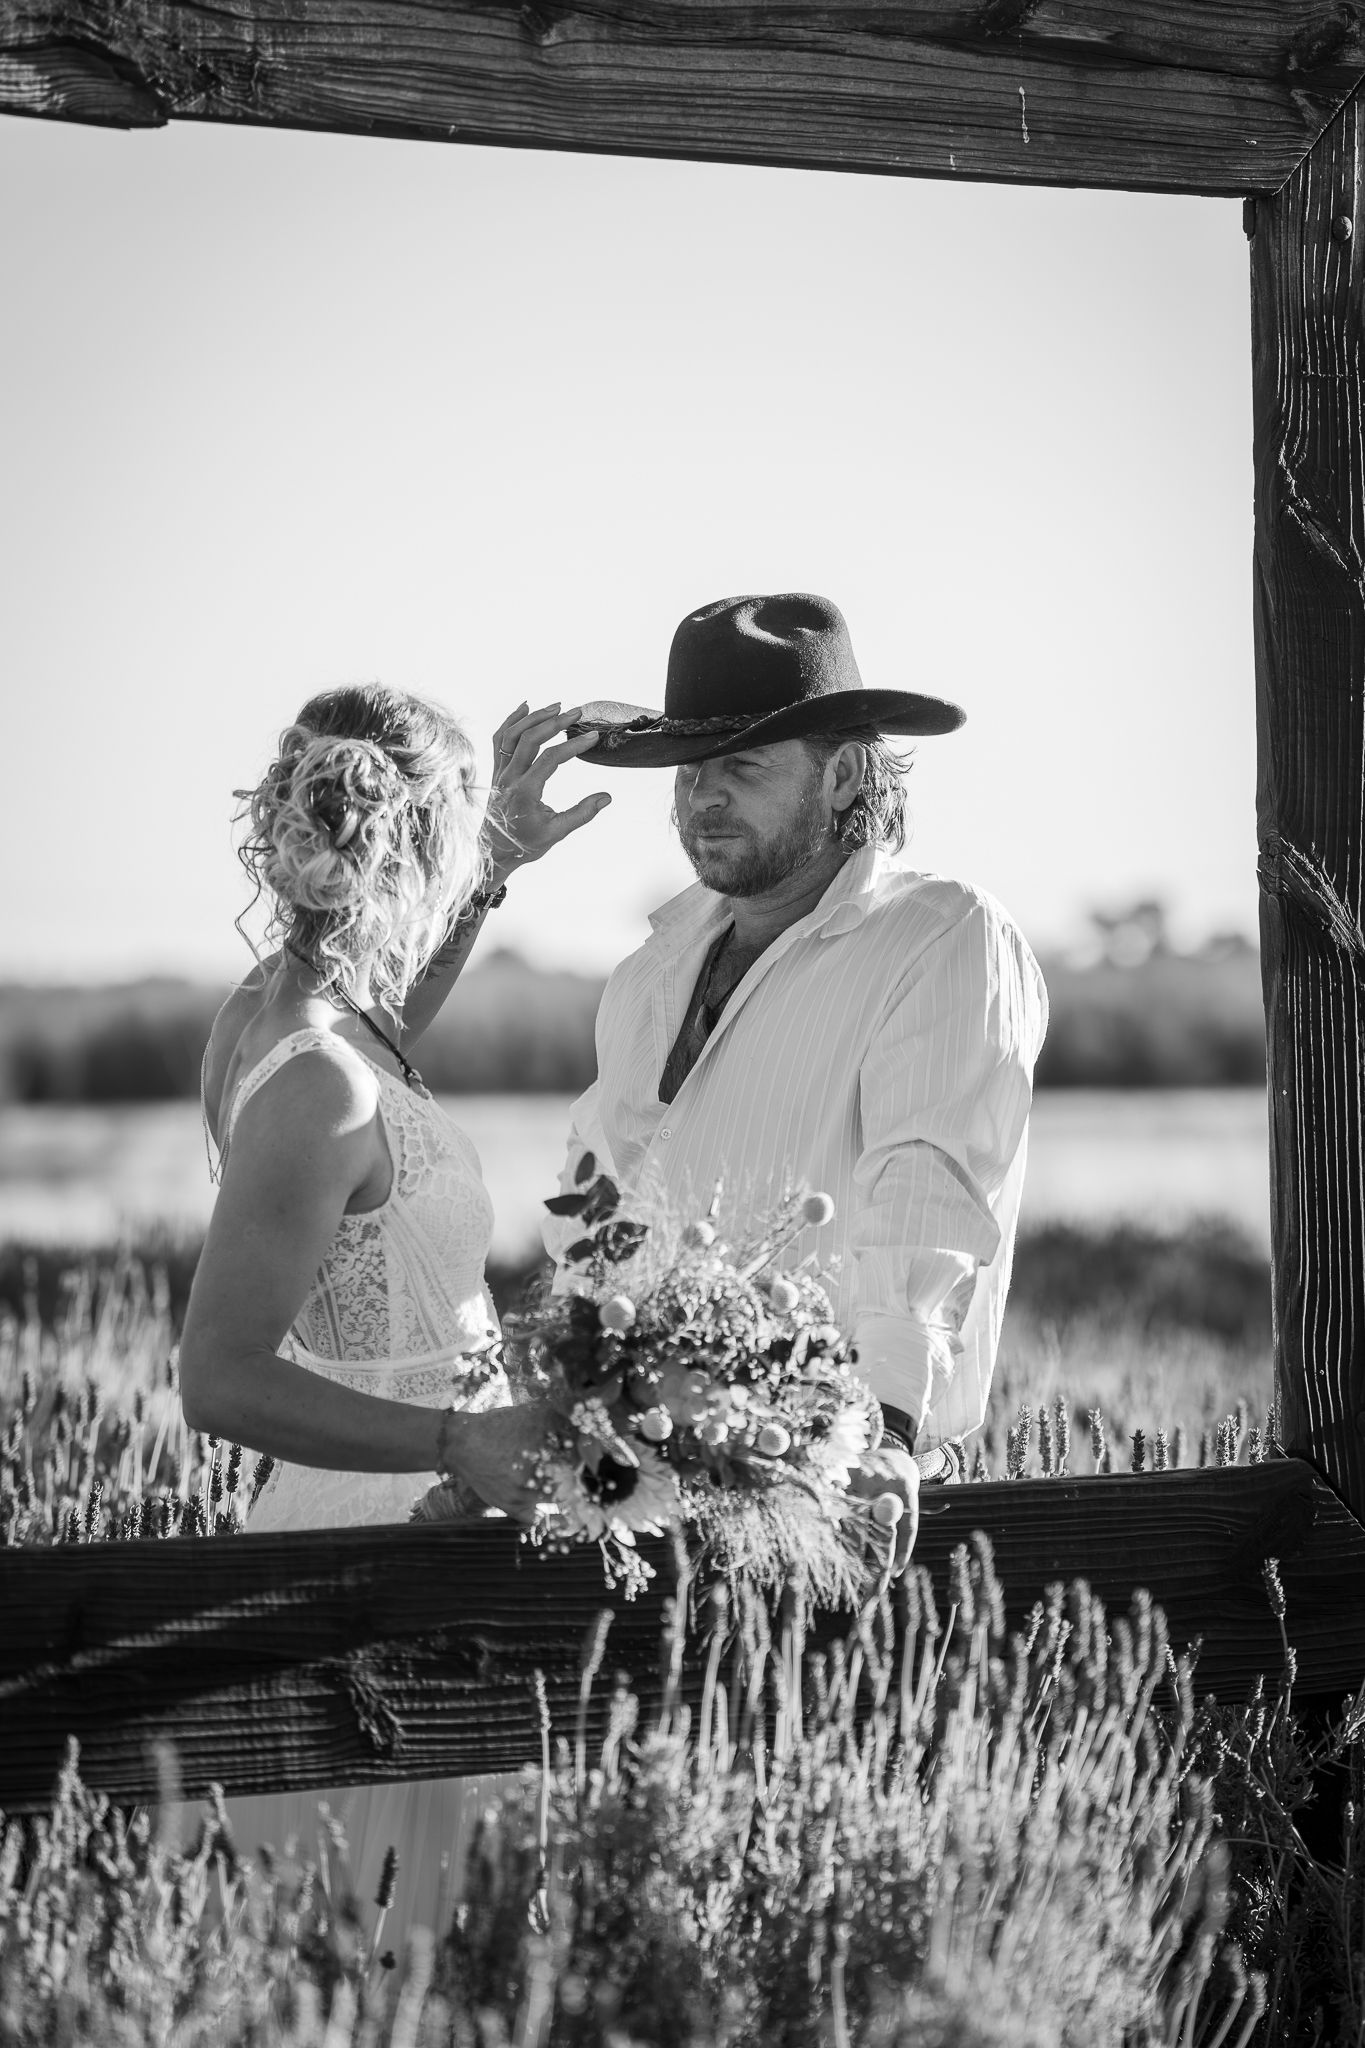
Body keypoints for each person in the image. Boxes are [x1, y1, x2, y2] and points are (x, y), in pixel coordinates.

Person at [182, 681, 610, 1942]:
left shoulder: (275, 1019)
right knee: (411, 1946)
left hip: (410, 1525)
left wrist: (488, 877)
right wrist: (453, 1441)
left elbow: (385, 1026)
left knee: (398, 1947)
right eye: (459, 836)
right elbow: (214, 1376)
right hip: (388, 1542)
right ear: (413, 842)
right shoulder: (316, 1081)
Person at [547, 592, 1048, 1476]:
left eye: (741, 764)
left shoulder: (938, 934)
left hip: (836, 1477)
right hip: (639, 1480)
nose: (702, 796)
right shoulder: (644, 977)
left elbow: (925, 1193)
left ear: (845, 777)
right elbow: (593, 1221)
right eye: (689, 767)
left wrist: (882, 1435)